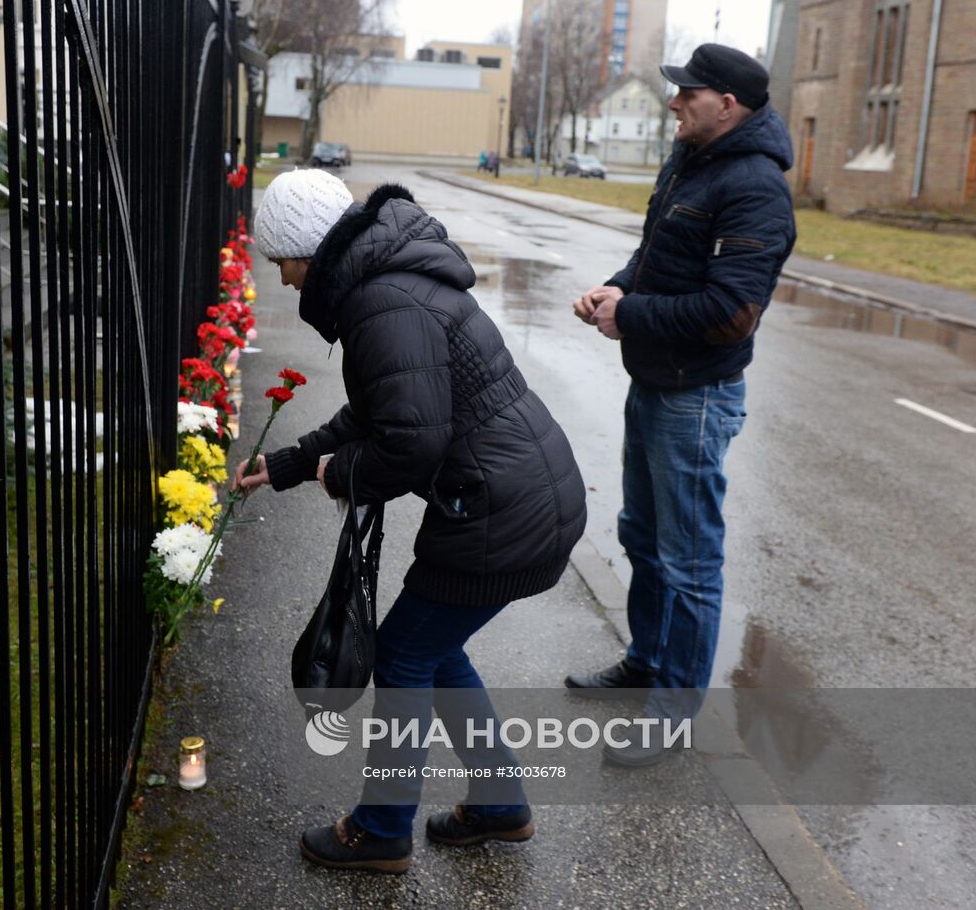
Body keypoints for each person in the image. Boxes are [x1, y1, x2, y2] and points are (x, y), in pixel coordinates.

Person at [235, 168, 587, 873]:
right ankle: (499, 802)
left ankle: (382, 828)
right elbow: (379, 413)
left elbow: (411, 441)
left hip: (500, 509)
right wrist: (291, 464)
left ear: (310, 247)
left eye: (284, 262)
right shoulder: (383, 282)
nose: (285, 280)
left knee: (402, 652)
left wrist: (344, 473)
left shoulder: (381, 302)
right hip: (525, 496)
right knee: (431, 647)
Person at [566, 43, 796, 766]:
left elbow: (732, 312)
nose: (672, 102)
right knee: (642, 535)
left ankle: (671, 711)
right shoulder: (691, 161)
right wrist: (615, 288)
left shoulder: (754, 186)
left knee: (690, 559)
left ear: (727, 104)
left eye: (685, 93)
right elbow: (654, 260)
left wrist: (630, 315)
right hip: (657, 382)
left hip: (695, 398)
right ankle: (646, 661)